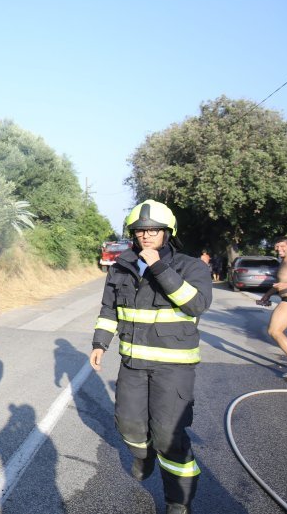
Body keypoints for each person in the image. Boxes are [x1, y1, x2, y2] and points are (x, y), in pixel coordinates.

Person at [89, 200, 212, 514]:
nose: (146, 235)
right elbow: (109, 309)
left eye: (154, 230)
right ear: (133, 233)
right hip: (132, 363)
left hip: (174, 367)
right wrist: (100, 343)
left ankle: (178, 501)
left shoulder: (191, 266)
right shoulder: (122, 267)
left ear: (167, 232)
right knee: (128, 425)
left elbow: (195, 305)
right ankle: (143, 456)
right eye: (141, 230)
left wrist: (158, 266)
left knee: (168, 435)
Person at [256, 236, 287, 379]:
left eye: (282, 246)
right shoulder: (284, 262)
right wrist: (268, 294)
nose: (279, 249)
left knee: (274, 330)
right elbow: (280, 282)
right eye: (277, 246)